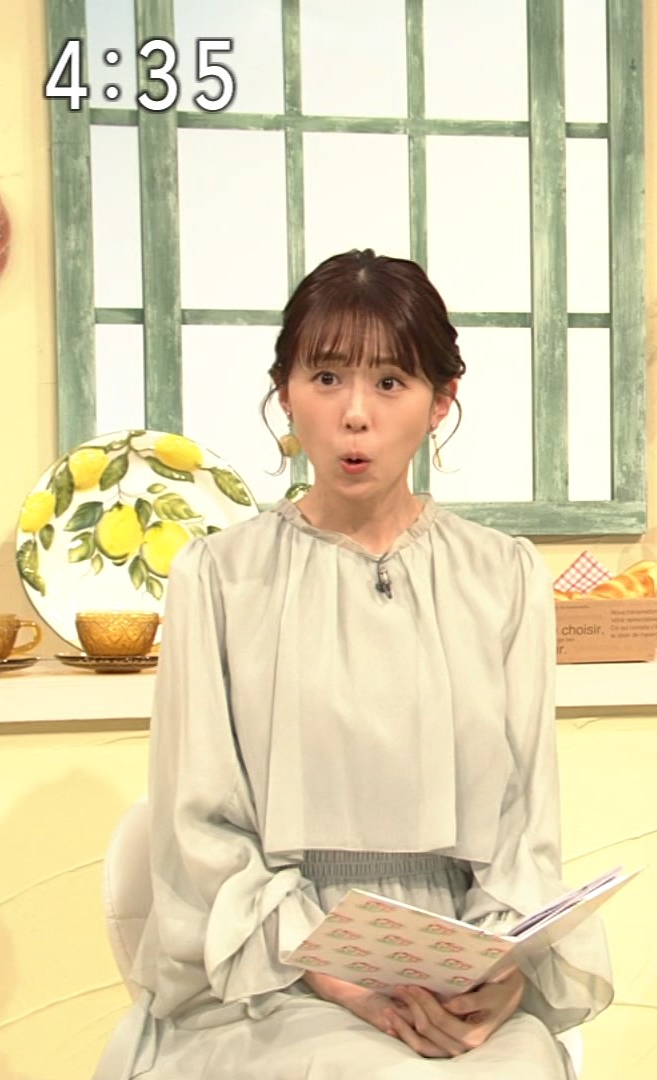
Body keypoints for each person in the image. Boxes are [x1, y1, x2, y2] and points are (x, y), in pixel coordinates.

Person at [94, 250, 612, 1079]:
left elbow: (525, 826)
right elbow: (200, 828)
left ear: (441, 402)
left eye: (391, 382)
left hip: (455, 972)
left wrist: (499, 970)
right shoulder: (220, 577)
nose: (355, 415)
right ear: (285, 392)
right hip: (276, 974)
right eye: (327, 378)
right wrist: (341, 974)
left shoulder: (503, 575)